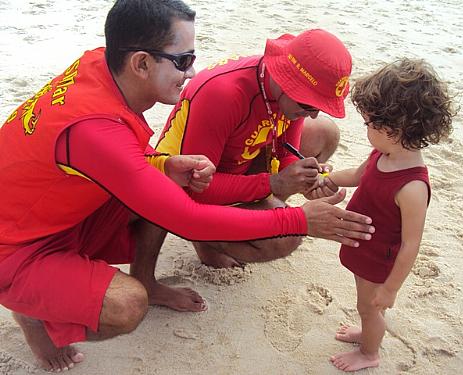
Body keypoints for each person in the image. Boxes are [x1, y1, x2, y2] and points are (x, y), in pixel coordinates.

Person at [0, 0, 375, 372]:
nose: (192, 70)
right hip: (16, 247)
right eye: (182, 60)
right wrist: (301, 221)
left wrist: (161, 163)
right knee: (128, 305)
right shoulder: (96, 131)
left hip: (49, 211)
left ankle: (84, 284)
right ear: (141, 63)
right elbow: (187, 219)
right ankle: (33, 314)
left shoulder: (100, 64)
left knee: (163, 187)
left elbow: (110, 157)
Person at [156, 28, 352, 268]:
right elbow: (196, 187)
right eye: (308, 104)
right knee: (284, 239)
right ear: (285, 80)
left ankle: (260, 211)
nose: (312, 114)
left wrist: (304, 178)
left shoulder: (288, 92)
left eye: (318, 106)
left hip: (238, 161)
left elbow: (287, 149)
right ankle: (208, 239)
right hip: (185, 185)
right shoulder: (224, 94)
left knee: (325, 133)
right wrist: (274, 183)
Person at [308, 58, 455, 371]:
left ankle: (369, 353)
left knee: (370, 306)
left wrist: (391, 288)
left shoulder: (413, 186)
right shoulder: (384, 152)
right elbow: (360, 175)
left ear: (397, 128)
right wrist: (330, 179)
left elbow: (411, 245)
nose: (366, 130)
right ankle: (367, 332)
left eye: (370, 124)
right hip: (364, 245)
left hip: (380, 260)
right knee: (366, 305)